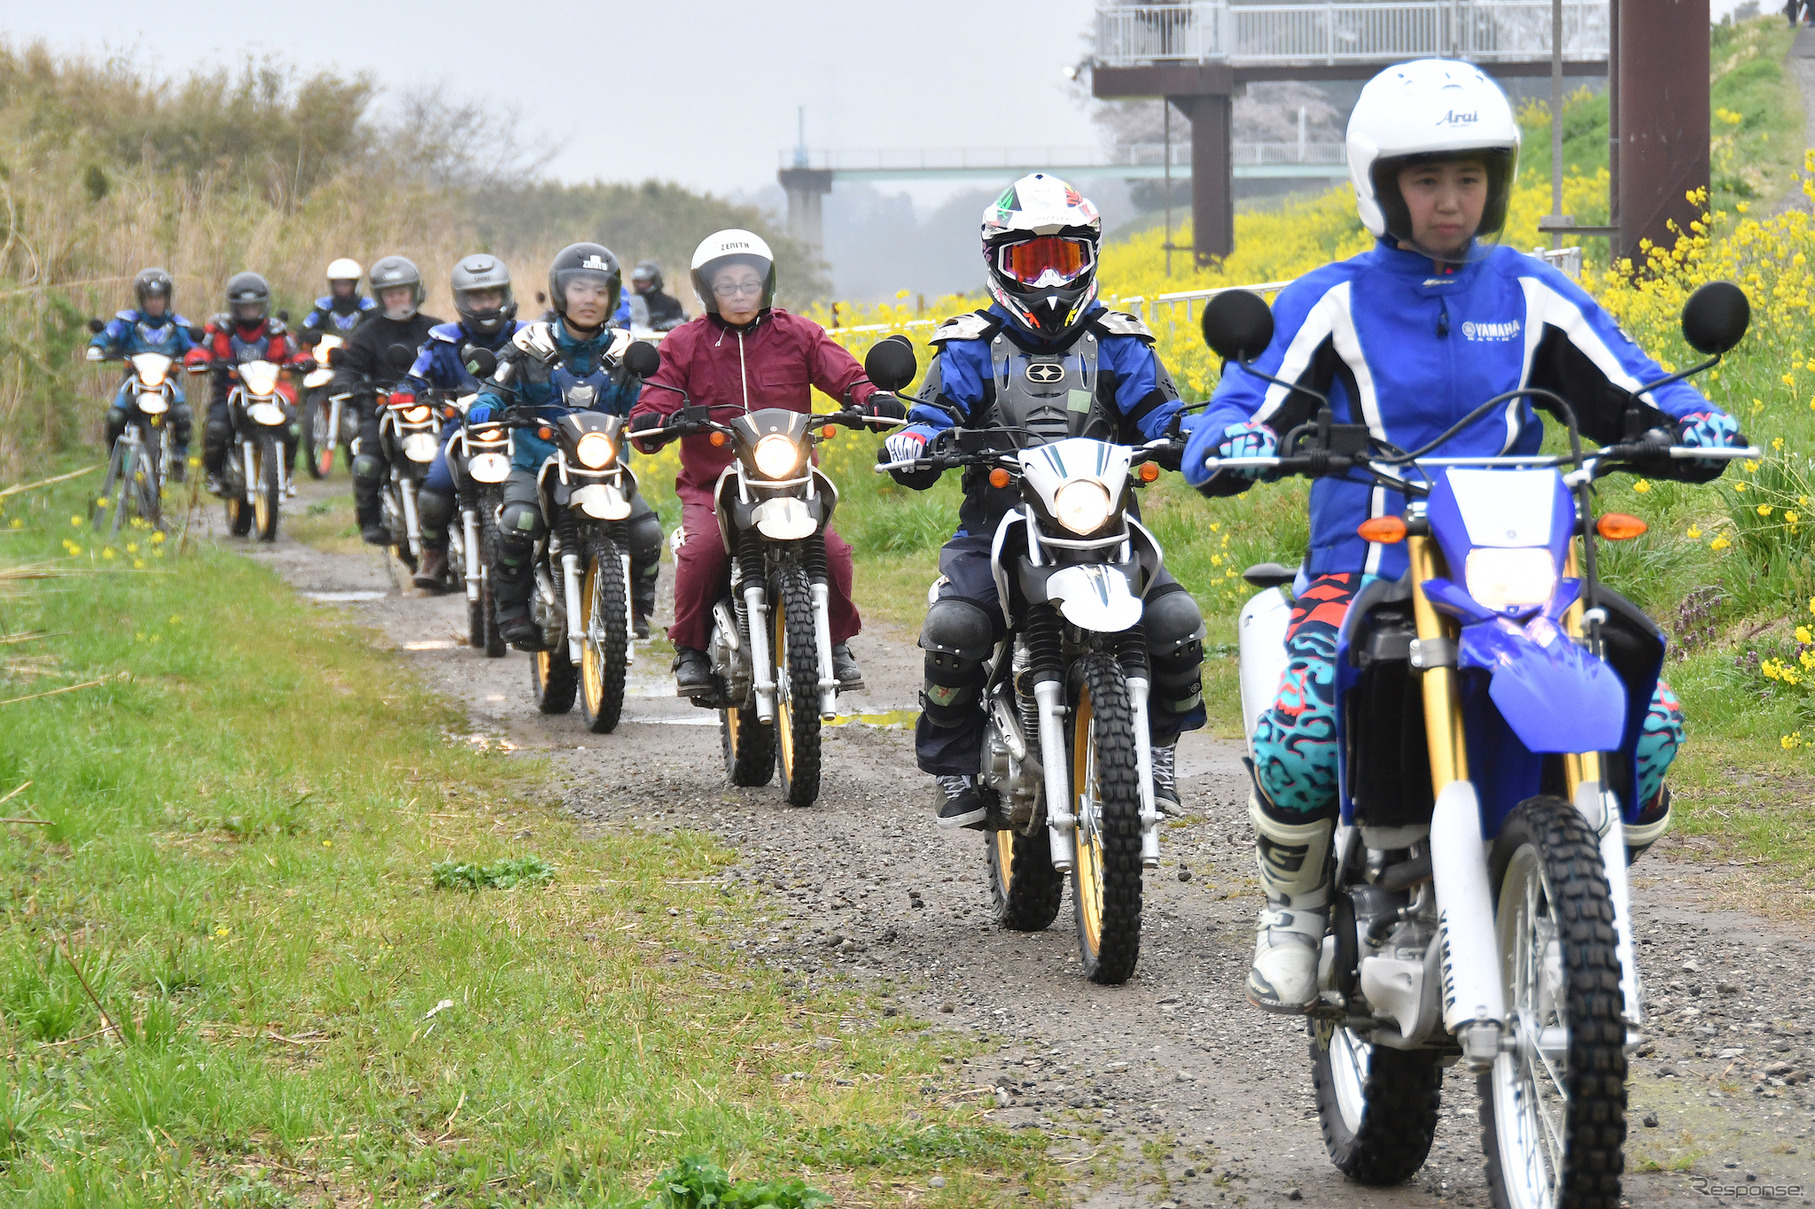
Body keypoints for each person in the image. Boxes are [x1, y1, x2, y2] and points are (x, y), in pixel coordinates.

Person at [1181, 59, 1747, 1014]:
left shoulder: (1528, 290)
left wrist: (1690, 423)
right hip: (1367, 569)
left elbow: (1632, 382)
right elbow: (1251, 398)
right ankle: (1296, 906)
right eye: (1426, 180)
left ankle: (1570, 890)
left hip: (1519, 572)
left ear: (1496, 184)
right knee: (1304, 729)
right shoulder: (1333, 298)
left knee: (1645, 721)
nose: (1450, 202)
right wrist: (1233, 438)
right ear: (1381, 186)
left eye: (1469, 179)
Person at [882, 173, 1207, 829]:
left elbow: (1159, 411)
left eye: (1064, 258)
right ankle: (953, 766)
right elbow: (932, 412)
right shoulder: (969, 345)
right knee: (956, 628)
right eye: (1032, 260)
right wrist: (915, 439)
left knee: (1174, 621)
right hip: (996, 524)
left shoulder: (1120, 341)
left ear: (1089, 257)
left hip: (1106, 523)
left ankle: (1161, 751)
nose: (1051, 278)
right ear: (999, 264)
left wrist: (1188, 433)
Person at [627, 229, 901, 694]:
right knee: (703, 552)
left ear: (766, 285)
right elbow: (654, 398)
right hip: (714, 482)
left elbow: (846, 374)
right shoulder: (682, 343)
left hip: (793, 478)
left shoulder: (799, 334)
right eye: (727, 285)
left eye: (748, 283)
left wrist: (871, 398)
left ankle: (833, 642)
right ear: (707, 291)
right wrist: (656, 418)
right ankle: (690, 650)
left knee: (831, 552)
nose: (739, 294)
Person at [466, 243, 662, 644]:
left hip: (604, 469)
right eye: (579, 288)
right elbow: (495, 385)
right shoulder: (528, 344)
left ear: (611, 299)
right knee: (518, 524)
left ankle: (637, 606)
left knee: (646, 534)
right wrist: (486, 405)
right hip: (536, 465)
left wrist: (656, 415)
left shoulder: (625, 351)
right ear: (559, 292)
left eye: (599, 291)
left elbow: (648, 397)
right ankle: (512, 612)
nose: (589, 299)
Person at [392, 253, 529, 592]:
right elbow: (416, 374)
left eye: (492, 295)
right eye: (476, 297)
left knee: (540, 493)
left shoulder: (529, 337)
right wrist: (406, 393)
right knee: (435, 487)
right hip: (460, 432)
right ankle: (434, 554)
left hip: (519, 431)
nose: (485, 304)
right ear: (461, 300)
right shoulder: (444, 340)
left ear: (506, 295)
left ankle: (552, 558)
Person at [327, 255, 445, 546]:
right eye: (389, 294)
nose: (396, 299)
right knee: (367, 463)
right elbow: (350, 367)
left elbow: (452, 365)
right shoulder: (368, 333)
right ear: (380, 298)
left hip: (430, 410)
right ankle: (369, 521)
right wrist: (345, 383)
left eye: (402, 292)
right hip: (382, 411)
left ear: (415, 293)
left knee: (456, 458)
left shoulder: (436, 329)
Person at [185, 272, 312, 496]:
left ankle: (287, 473)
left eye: (254, 306)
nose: (250, 311)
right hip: (229, 390)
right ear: (234, 307)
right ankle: (213, 474)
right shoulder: (220, 329)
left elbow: (295, 353)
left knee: (291, 426)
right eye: (244, 307)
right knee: (216, 429)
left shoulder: (277, 329)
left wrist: (305, 362)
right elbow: (201, 350)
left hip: (270, 391)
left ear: (264, 305)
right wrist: (199, 360)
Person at [86, 267, 199, 479]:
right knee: (115, 416)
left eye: (159, 298)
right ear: (141, 299)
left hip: (168, 385)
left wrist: (199, 356)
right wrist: (98, 347)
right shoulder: (127, 322)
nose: (155, 303)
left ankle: (179, 458)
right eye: (150, 298)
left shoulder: (178, 325)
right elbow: (108, 334)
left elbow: (193, 347)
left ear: (167, 299)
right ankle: (116, 460)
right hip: (134, 382)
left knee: (184, 416)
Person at [297, 258, 377, 344]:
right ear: (331, 285)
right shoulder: (323, 307)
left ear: (355, 284)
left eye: (346, 284)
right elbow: (306, 326)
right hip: (328, 351)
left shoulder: (368, 307)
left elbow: (378, 329)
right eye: (338, 284)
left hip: (360, 351)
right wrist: (310, 335)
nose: (342, 288)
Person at [629, 260, 686, 331]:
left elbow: (678, 324)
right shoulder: (628, 303)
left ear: (655, 281)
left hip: (660, 340)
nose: (640, 285)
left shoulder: (671, 304)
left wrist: (661, 327)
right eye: (638, 282)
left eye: (644, 282)